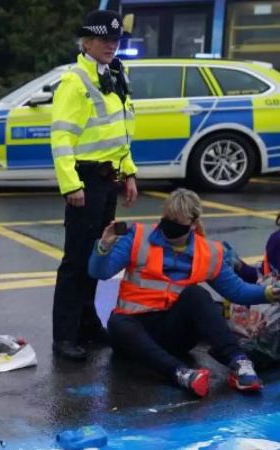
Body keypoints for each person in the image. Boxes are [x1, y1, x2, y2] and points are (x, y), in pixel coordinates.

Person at [90, 189, 280, 397]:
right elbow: (99, 271)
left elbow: (238, 291)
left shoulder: (208, 252)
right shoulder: (137, 236)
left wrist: (269, 293)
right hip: (136, 329)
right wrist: (104, 246)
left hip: (175, 333)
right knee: (117, 322)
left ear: (192, 224)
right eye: (168, 219)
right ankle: (180, 373)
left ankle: (240, 363)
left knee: (197, 295)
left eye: (178, 222)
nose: (170, 225)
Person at [50, 9, 139, 361]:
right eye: (104, 40)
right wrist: (71, 185)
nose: (111, 46)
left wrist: (128, 173)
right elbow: (61, 139)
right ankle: (65, 335)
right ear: (86, 42)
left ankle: (87, 326)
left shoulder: (115, 74)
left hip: (107, 180)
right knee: (76, 261)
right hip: (84, 181)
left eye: (115, 40)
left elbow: (120, 133)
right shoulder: (75, 81)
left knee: (96, 255)